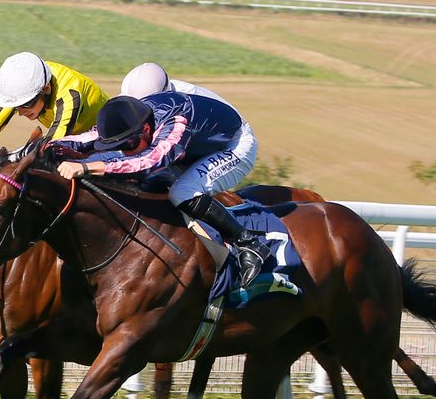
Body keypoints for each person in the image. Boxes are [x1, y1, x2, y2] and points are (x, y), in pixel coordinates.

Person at [49, 94, 270, 288]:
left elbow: (150, 160)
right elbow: (87, 138)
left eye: (127, 145)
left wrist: (87, 167)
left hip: (234, 146)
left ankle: (249, 243)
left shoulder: (176, 123)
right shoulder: (132, 119)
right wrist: (45, 148)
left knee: (182, 192)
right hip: (195, 146)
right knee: (140, 179)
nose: (124, 152)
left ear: (146, 130)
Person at [0, 51, 109, 184]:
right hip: (76, 139)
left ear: (46, 89)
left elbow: (48, 149)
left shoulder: (69, 94)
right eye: (17, 107)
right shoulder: (25, 84)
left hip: (106, 141)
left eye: (26, 105)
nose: (21, 112)